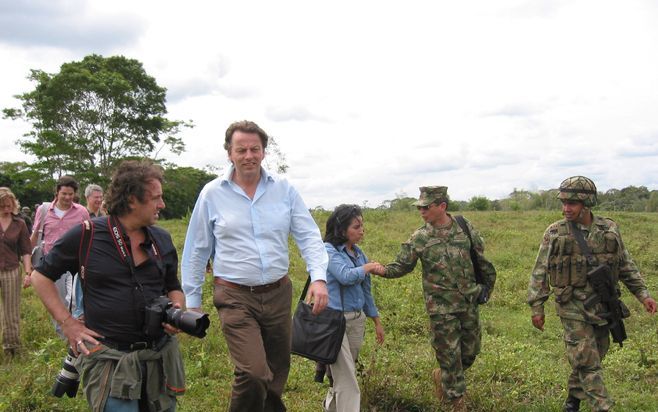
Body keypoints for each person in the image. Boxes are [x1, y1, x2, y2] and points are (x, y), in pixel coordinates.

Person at [181, 120, 329, 412]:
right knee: (252, 371)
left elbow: (309, 235)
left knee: (277, 370)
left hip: (277, 293)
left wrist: (319, 279)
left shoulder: (284, 189)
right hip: (234, 295)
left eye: (255, 149)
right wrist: (193, 302)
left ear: (263, 152)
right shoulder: (212, 194)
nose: (248, 155)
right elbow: (197, 250)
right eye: (241, 149)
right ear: (229, 153)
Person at [31, 160, 185, 411]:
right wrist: (68, 323)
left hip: (158, 357)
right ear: (133, 200)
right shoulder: (87, 234)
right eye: (156, 198)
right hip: (110, 359)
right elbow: (40, 276)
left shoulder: (162, 239)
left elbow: (173, 285)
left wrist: (177, 307)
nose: (162, 205)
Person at [527, 176, 657, 412]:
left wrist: (643, 294)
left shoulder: (609, 229)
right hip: (572, 307)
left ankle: (573, 400)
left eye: (572, 204)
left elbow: (626, 265)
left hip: (602, 306)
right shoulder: (555, 232)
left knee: (595, 353)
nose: (566, 208)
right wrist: (537, 307)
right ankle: (602, 406)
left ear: (587, 204)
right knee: (587, 361)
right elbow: (540, 271)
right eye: (564, 203)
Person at [371, 186, 496, 412]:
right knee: (449, 356)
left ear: (442, 207)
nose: (421, 210)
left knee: (470, 352)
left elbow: (480, 256)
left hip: (468, 301)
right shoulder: (420, 237)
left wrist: (485, 287)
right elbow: (401, 265)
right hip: (440, 308)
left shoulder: (464, 227)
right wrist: (380, 270)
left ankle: (441, 376)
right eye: (419, 207)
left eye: (426, 206)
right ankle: (457, 402)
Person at [321, 204, 385, 412]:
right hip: (335, 321)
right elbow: (345, 276)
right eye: (356, 227)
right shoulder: (328, 251)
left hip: (356, 320)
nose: (361, 231)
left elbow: (366, 291)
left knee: (342, 376)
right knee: (348, 378)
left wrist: (375, 320)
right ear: (341, 230)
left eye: (362, 226)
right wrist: (367, 268)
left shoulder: (358, 253)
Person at [28, 176, 90, 334]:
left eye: (71, 194)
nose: (68, 197)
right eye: (64, 194)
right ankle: (62, 334)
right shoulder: (43, 211)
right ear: (57, 193)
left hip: (76, 264)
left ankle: (78, 332)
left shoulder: (81, 211)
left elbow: (90, 236)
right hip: (53, 264)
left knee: (76, 301)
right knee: (57, 301)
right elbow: (36, 235)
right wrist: (28, 264)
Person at [0, 188, 32, 358]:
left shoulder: (19, 224)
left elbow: (26, 250)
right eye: (2, 206)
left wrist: (28, 273)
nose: (6, 209)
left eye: (8, 206)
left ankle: (11, 348)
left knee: (11, 311)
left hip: (11, 269)